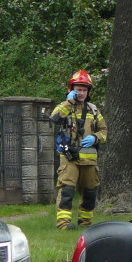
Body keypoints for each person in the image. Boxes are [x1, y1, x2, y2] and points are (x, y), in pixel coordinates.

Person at [49, 70, 107, 229]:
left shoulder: (94, 110)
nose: (81, 92)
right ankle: (63, 224)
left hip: (89, 160)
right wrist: (69, 103)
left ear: (88, 91)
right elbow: (54, 118)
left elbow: (104, 132)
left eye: (84, 89)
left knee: (90, 194)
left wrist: (96, 138)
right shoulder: (65, 106)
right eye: (78, 89)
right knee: (67, 191)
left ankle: (86, 224)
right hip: (70, 158)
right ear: (72, 89)